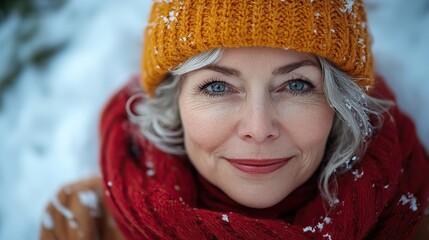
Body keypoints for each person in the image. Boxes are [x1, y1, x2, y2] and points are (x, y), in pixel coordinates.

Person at [39, 0, 429, 239]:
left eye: (296, 85)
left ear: (340, 103)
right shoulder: (82, 224)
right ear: (173, 104)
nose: (258, 129)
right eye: (216, 87)